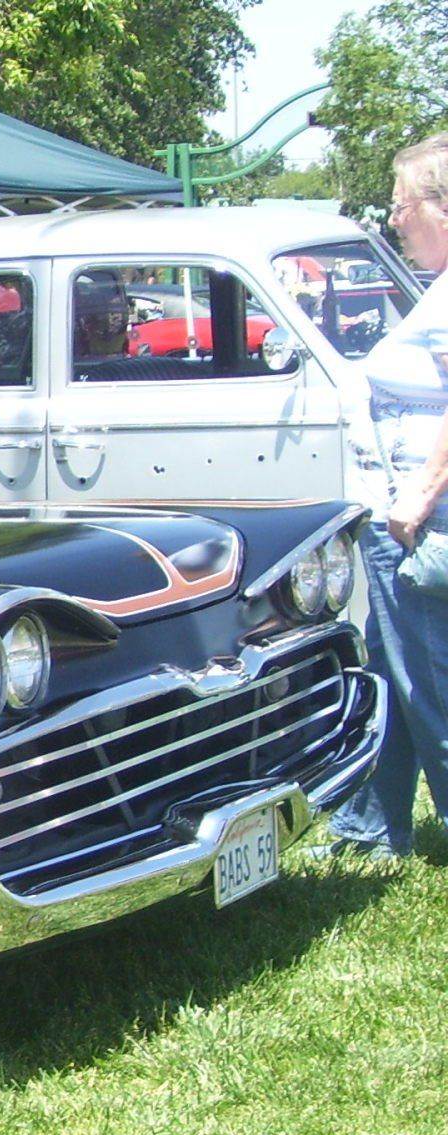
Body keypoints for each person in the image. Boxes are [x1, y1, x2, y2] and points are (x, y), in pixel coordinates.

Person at [323, 132, 448, 862]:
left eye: (403, 205)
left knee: (428, 677)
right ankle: (367, 825)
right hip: (406, 511)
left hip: (419, 518)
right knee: (387, 666)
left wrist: (418, 499)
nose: (395, 219)